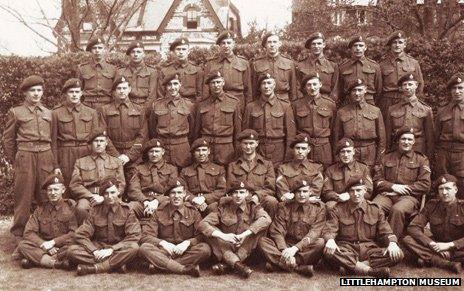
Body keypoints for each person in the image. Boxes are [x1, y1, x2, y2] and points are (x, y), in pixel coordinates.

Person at [2, 75, 57, 241]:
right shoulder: (16, 112)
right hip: (25, 156)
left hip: (46, 156)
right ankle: (20, 234)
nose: (36, 94)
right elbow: (8, 140)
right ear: (25, 93)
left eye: (39, 90)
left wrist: (53, 162)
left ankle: (46, 231)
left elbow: (53, 140)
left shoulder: (49, 113)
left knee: (46, 194)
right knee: (23, 196)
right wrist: (16, 160)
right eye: (32, 90)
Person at [322, 175, 404, 278]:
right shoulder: (338, 209)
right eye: (352, 191)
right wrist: (330, 240)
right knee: (329, 251)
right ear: (348, 193)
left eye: (359, 190)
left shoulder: (375, 209)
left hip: (369, 251)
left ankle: (351, 267)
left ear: (365, 190)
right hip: (347, 249)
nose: (356, 194)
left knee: (398, 254)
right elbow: (330, 229)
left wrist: (392, 243)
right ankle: (370, 271)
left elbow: (386, 231)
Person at [198, 180, 272, 278]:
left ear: (247, 194)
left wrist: (244, 234)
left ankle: (229, 265)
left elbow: (266, 219)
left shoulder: (253, 206)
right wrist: (224, 236)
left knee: (259, 229)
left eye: (241, 192)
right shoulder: (223, 207)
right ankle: (238, 266)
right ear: (230, 195)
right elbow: (203, 224)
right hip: (227, 245)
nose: (238, 195)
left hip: (246, 247)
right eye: (235, 192)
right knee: (210, 232)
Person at [68, 177, 141, 276]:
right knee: (72, 251)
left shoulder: (127, 210)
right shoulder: (94, 210)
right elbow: (81, 234)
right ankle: (117, 264)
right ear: (102, 195)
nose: (109, 196)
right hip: (99, 248)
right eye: (106, 193)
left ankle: (96, 268)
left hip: (118, 248)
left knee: (134, 248)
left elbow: (134, 236)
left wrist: (112, 249)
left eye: (112, 192)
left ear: (118, 192)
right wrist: (94, 251)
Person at [138, 178, 211, 277]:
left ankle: (161, 265)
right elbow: (146, 236)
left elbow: (201, 235)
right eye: (173, 193)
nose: (177, 196)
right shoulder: (159, 212)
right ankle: (183, 269)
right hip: (165, 251)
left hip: (185, 251)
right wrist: (163, 243)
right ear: (168, 195)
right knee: (144, 248)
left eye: (179, 192)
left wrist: (187, 243)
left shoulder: (193, 211)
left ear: (184, 193)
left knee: (205, 249)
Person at [259, 179, 326, 277]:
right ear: (293, 193)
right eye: (298, 192)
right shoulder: (284, 207)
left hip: (305, 247)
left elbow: (314, 232)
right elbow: (277, 231)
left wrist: (295, 248)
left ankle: (279, 264)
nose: (302, 195)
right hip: (286, 245)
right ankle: (297, 267)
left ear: (310, 192)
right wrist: (284, 249)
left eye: (305, 191)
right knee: (262, 241)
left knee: (320, 243)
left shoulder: (319, 208)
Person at [373, 127, 431, 238]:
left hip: (409, 198)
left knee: (397, 210)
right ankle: (373, 241)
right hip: (387, 196)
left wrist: (402, 190)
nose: (406, 142)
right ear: (398, 140)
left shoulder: (421, 159)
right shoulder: (386, 158)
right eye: (403, 139)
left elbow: (425, 185)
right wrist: (393, 187)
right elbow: (377, 180)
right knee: (375, 206)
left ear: (414, 142)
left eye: (409, 139)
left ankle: (392, 244)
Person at [402, 174, 463, 274]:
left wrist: (450, 245)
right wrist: (431, 244)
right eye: (441, 189)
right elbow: (413, 227)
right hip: (436, 246)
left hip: (458, 248)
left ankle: (428, 258)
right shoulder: (431, 206)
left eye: (448, 188)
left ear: (455, 190)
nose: (444, 192)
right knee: (407, 240)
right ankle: (446, 264)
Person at [17, 174, 77, 270]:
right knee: (23, 245)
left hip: (63, 246)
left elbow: (74, 233)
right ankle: (56, 263)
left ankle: (37, 260)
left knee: (73, 249)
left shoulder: (71, 208)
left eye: (56, 189)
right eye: (50, 190)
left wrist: (54, 242)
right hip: (44, 247)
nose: (53, 193)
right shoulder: (40, 210)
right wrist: (44, 245)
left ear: (63, 190)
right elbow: (28, 233)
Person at [69, 129, 125, 224]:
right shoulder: (80, 162)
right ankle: (86, 233)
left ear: (106, 143)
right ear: (90, 144)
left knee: (120, 207)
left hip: (110, 195)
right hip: (89, 197)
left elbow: (121, 184)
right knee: (81, 208)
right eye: (96, 141)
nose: (99, 144)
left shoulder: (116, 161)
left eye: (102, 141)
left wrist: (107, 196)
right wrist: (91, 196)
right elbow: (74, 185)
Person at [51, 78, 100, 186]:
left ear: (81, 93)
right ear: (65, 94)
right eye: (71, 92)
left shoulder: (91, 112)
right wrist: (56, 165)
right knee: (67, 184)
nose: (74, 95)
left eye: (77, 92)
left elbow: (96, 139)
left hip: (86, 152)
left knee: (87, 184)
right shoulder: (56, 113)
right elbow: (53, 142)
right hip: (66, 154)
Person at [100, 76, 148, 181]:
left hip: (134, 157)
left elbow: (143, 136)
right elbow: (103, 136)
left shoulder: (139, 109)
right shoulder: (105, 110)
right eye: (119, 88)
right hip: (112, 155)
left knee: (134, 185)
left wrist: (128, 156)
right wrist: (116, 156)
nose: (122, 91)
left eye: (124, 88)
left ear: (130, 89)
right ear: (114, 91)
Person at [243, 73, 296, 166]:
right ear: (259, 87)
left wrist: (288, 156)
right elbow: (246, 132)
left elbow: (291, 134)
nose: (266, 86)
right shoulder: (250, 107)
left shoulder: (285, 106)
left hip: (279, 150)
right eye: (263, 83)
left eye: (269, 83)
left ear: (274, 85)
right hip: (257, 149)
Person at [334, 78, 386, 169]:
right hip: (350, 152)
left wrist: (379, 160)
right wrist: (338, 157)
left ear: (365, 90)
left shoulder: (375, 111)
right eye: (354, 90)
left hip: (370, 152)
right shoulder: (342, 112)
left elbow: (382, 139)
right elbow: (336, 138)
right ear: (350, 92)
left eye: (360, 90)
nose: (357, 93)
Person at [227, 129, 279, 217]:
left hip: (260, 199)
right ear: (240, 144)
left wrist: (257, 196)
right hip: (240, 198)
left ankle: (269, 229)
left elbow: (270, 188)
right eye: (245, 143)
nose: (248, 147)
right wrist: (243, 197)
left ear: (257, 143)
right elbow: (230, 188)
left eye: (251, 143)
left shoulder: (267, 164)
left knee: (272, 201)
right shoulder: (233, 165)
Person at [194, 70, 242, 166]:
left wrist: (237, 150)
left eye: (218, 82)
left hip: (226, 148)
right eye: (213, 83)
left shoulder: (233, 102)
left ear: (223, 82)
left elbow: (238, 131)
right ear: (208, 85)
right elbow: (196, 131)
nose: (216, 85)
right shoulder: (202, 104)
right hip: (206, 148)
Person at [149, 72, 195, 168]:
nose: (173, 87)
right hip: (162, 147)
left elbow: (193, 129)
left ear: (180, 84)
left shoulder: (189, 105)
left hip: (182, 148)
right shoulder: (157, 104)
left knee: (183, 175)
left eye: (175, 84)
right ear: (165, 87)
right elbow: (152, 129)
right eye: (169, 85)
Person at [292, 72, 336, 168]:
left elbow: (334, 129)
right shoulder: (297, 105)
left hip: (324, 148)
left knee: (325, 174)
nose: (312, 88)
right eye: (309, 85)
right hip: (304, 147)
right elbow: (293, 128)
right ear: (305, 87)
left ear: (320, 84)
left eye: (315, 84)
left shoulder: (329, 104)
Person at [385, 73, 434, 159]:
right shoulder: (392, 109)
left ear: (416, 86)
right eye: (404, 85)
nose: (407, 87)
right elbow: (388, 136)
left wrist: (429, 157)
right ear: (401, 88)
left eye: (410, 84)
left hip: (418, 150)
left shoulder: (425, 109)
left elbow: (430, 138)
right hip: (396, 149)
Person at [126, 138, 178, 219]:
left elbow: (172, 190)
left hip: (164, 201)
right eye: (151, 151)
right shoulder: (138, 168)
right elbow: (133, 189)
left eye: (157, 151)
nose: (154, 154)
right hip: (143, 202)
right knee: (129, 208)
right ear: (147, 153)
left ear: (163, 152)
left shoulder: (171, 169)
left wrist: (157, 201)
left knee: (173, 207)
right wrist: (145, 201)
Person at [203, 30, 252, 108]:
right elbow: (206, 89)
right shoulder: (210, 63)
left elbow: (248, 89)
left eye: (229, 43)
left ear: (233, 44)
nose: (226, 46)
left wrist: (248, 107)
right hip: (216, 102)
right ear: (219, 45)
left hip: (238, 102)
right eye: (223, 43)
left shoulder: (243, 62)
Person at [379, 31, 424, 114]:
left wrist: (414, 101)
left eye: (400, 42)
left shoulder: (413, 63)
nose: (397, 45)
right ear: (390, 45)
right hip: (388, 101)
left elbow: (420, 85)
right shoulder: (382, 64)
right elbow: (378, 87)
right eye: (394, 43)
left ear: (404, 45)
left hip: (407, 100)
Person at [322, 138, 373, 210]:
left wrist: (351, 196)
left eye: (348, 151)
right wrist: (338, 197)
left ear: (354, 152)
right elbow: (327, 192)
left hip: (357, 201)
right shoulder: (330, 170)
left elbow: (368, 191)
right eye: (343, 152)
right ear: (339, 154)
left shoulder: (363, 168)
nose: (346, 155)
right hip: (339, 202)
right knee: (329, 206)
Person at [435, 73, 464, 199]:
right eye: (454, 88)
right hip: (444, 153)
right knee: (444, 184)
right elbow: (436, 135)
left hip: (462, 153)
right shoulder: (442, 110)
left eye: (460, 88)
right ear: (450, 91)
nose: (457, 91)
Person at [180, 138, 227, 215]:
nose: (201, 153)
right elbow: (183, 190)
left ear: (209, 151)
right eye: (198, 150)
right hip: (192, 204)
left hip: (212, 203)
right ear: (193, 153)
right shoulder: (185, 171)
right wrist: (194, 199)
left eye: (204, 150)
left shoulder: (219, 169)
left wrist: (204, 198)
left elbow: (221, 190)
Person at [276, 133, 324, 203]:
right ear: (293, 149)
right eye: (297, 148)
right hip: (290, 206)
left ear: (309, 149)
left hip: (311, 206)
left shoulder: (317, 168)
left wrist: (298, 198)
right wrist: (303, 199)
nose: (300, 151)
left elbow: (316, 190)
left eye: (303, 148)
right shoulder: (283, 168)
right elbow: (284, 193)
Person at [251, 32, 297, 101]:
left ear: (279, 44)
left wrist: (293, 103)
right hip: (264, 101)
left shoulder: (289, 63)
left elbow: (293, 87)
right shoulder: (257, 64)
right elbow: (254, 89)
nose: (272, 45)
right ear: (265, 45)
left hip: (284, 101)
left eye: (275, 42)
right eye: (269, 42)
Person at [339, 35, 382, 105]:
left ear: (365, 48)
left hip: (369, 102)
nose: (358, 48)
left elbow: (379, 89)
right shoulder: (343, 67)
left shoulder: (374, 66)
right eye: (355, 46)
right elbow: (340, 90)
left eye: (361, 45)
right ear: (351, 48)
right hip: (349, 103)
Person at [296, 32, 339, 101]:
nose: (316, 46)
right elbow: (297, 88)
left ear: (324, 45)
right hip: (306, 101)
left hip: (326, 103)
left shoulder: (333, 65)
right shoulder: (300, 65)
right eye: (313, 44)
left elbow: (335, 89)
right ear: (310, 46)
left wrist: (329, 103)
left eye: (319, 43)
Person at [157, 37, 203, 101]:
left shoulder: (197, 70)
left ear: (188, 51)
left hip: (191, 106)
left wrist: (195, 108)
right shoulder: (164, 71)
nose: (181, 52)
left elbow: (200, 94)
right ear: (173, 51)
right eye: (178, 49)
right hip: (170, 105)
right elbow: (161, 95)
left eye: (184, 49)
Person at [78, 37, 116, 109]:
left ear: (105, 49)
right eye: (94, 48)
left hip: (107, 105)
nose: (97, 50)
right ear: (90, 50)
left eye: (100, 48)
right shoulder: (82, 68)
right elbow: (78, 89)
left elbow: (115, 91)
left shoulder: (113, 69)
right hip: (88, 105)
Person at [117, 41, 158, 107]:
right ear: (129, 54)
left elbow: (152, 96)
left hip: (144, 107)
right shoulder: (121, 72)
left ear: (144, 54)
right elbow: (116, 92)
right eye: (133, 52)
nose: (136, 54)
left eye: (138, 52)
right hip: (126, 106)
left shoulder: (152, 72)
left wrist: (145, 111)